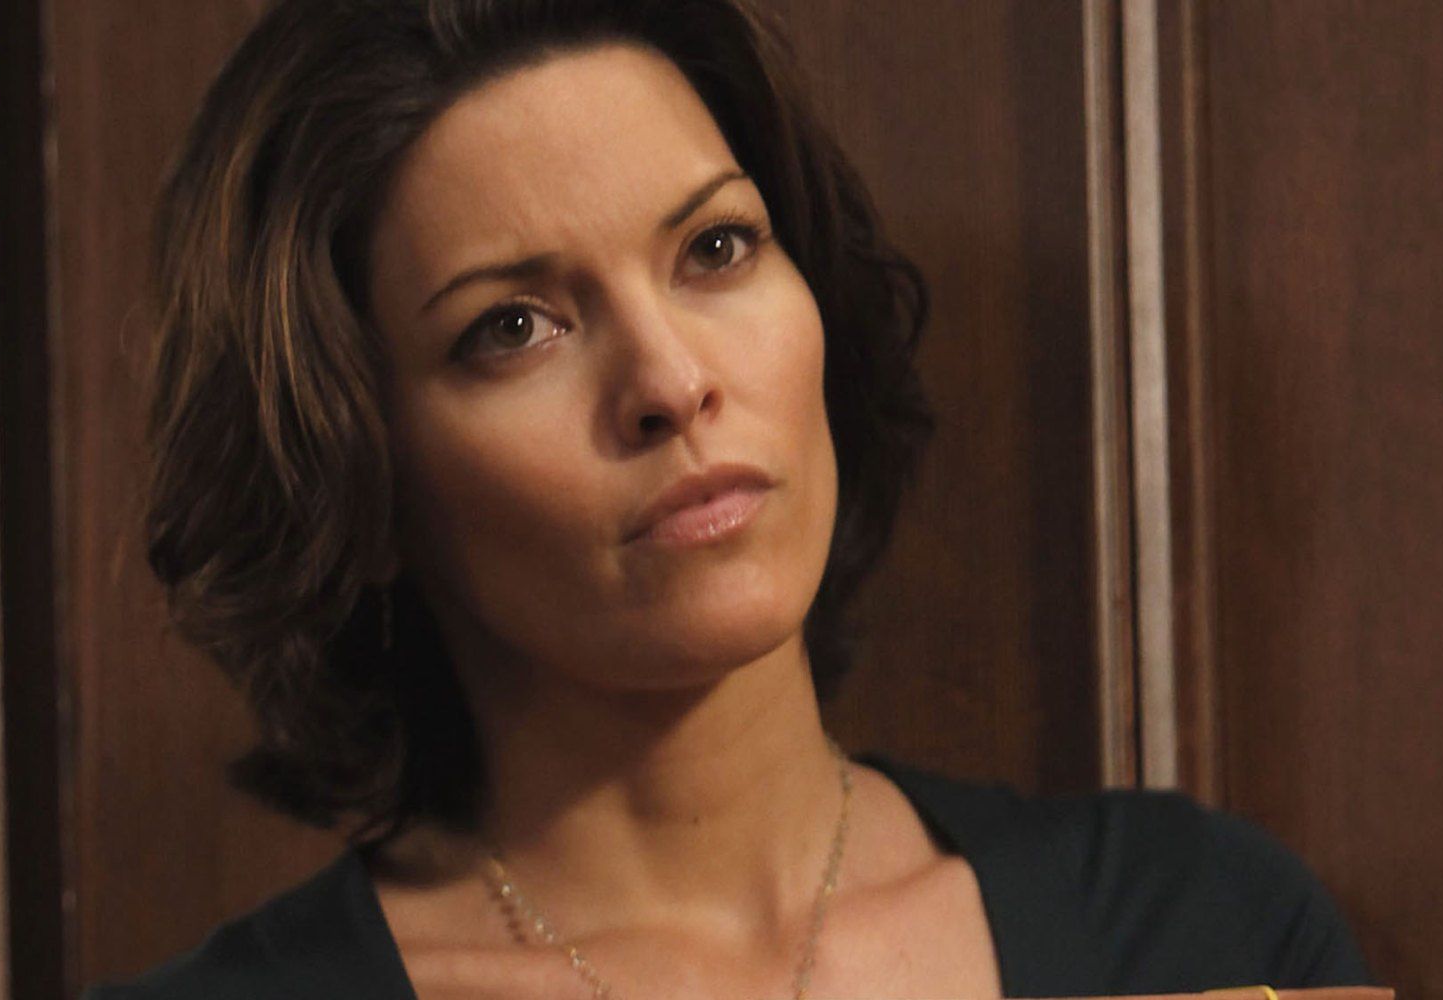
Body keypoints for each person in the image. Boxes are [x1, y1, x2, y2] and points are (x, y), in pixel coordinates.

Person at [92, 0, 1378, 996]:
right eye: (515, 326)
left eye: (714, 248)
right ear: (359, 475)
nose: (668, 381)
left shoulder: (1198, 928)